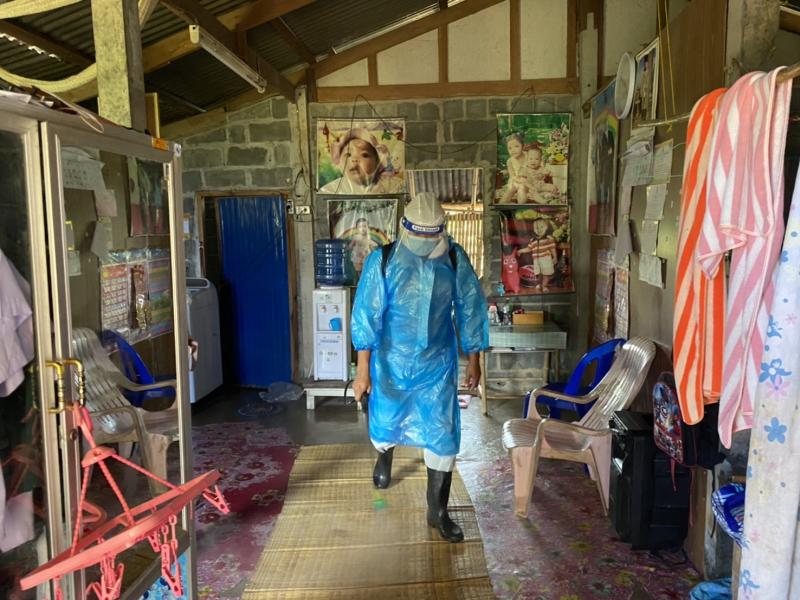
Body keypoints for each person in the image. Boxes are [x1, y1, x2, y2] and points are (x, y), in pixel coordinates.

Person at [351, 192, 489, 543]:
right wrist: (362, 371)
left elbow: (470, 308)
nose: (426, 246)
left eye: (432, 238)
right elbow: (366, 315)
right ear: (405, 229)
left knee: (441, 432)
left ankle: (437, 512)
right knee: (387, 420)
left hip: (436, 364)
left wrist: (474, 358)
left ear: (442, 231)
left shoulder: (454, 259)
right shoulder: (382, 260)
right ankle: (384, 457)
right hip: (391, 361)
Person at [320, 128, 401, 194]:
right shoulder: (334, 188)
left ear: (377, 162)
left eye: (364, 155)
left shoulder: (388, 185)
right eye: (348, 155)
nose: (354, 159)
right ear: (340, 161)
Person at [518, 218, 557, 292]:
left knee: (546, 274)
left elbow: (552, 248)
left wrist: (555, 257)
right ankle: (540, 284)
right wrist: (521, 251)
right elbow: (529, 248)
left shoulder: (549, 238)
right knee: (539, 274)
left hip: (546, 259)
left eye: (541, 227)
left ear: (546, 227)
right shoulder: (533, 240)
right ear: (534, 229)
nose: (539, 229)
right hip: (536, 260)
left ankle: (544, 286)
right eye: (536, 228)